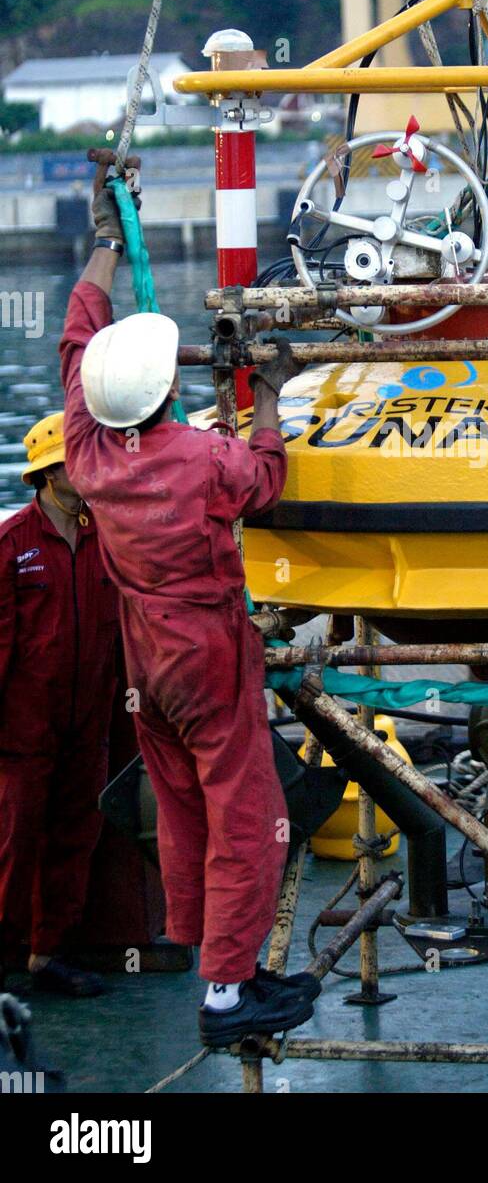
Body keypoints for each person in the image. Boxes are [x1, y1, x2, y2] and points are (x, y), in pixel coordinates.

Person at [59, 162, 319, 1047]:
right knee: (247, 821)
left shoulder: (87, 450)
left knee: (181, 806)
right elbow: (267, 481)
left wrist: (103, 241)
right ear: (173, 389)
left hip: (148, 657)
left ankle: (203, 947)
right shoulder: (206, 462)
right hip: (208, 653)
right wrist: (273, 398)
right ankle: (227, 993)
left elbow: (76, 336)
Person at [0, 412, 118, 996]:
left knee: (77, 835)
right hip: (22, 731)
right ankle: (3, 958)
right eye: (77, 461)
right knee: (13, 844)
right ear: (49, 475)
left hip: (88, 723)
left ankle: (49, 955)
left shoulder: (108, 537)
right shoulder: (11, 544)